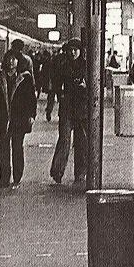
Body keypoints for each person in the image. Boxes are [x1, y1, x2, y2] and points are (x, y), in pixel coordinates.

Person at [0, 50, 37, 188]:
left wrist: (32, 115)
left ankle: (17, 177)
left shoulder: (25, 78)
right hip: (3, 120)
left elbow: (31, 99)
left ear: (18, 61)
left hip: (19, 119)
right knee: (3, 149)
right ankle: (4, 178)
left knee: (17, 148)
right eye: (9, 59)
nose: (11, 61)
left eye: (14, 59)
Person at [49, 38, 88, 184]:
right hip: (67, 108)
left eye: (75, 50)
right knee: (64, 140)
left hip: (82, 109)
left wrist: (84, 87)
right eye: (70, 50)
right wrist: (61, 95)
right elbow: (56, 84)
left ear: (80, 51)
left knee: (81, 142)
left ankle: (80, 173)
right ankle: (57, 171)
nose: (72, 52)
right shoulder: (63, 66)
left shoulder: (86, 67)